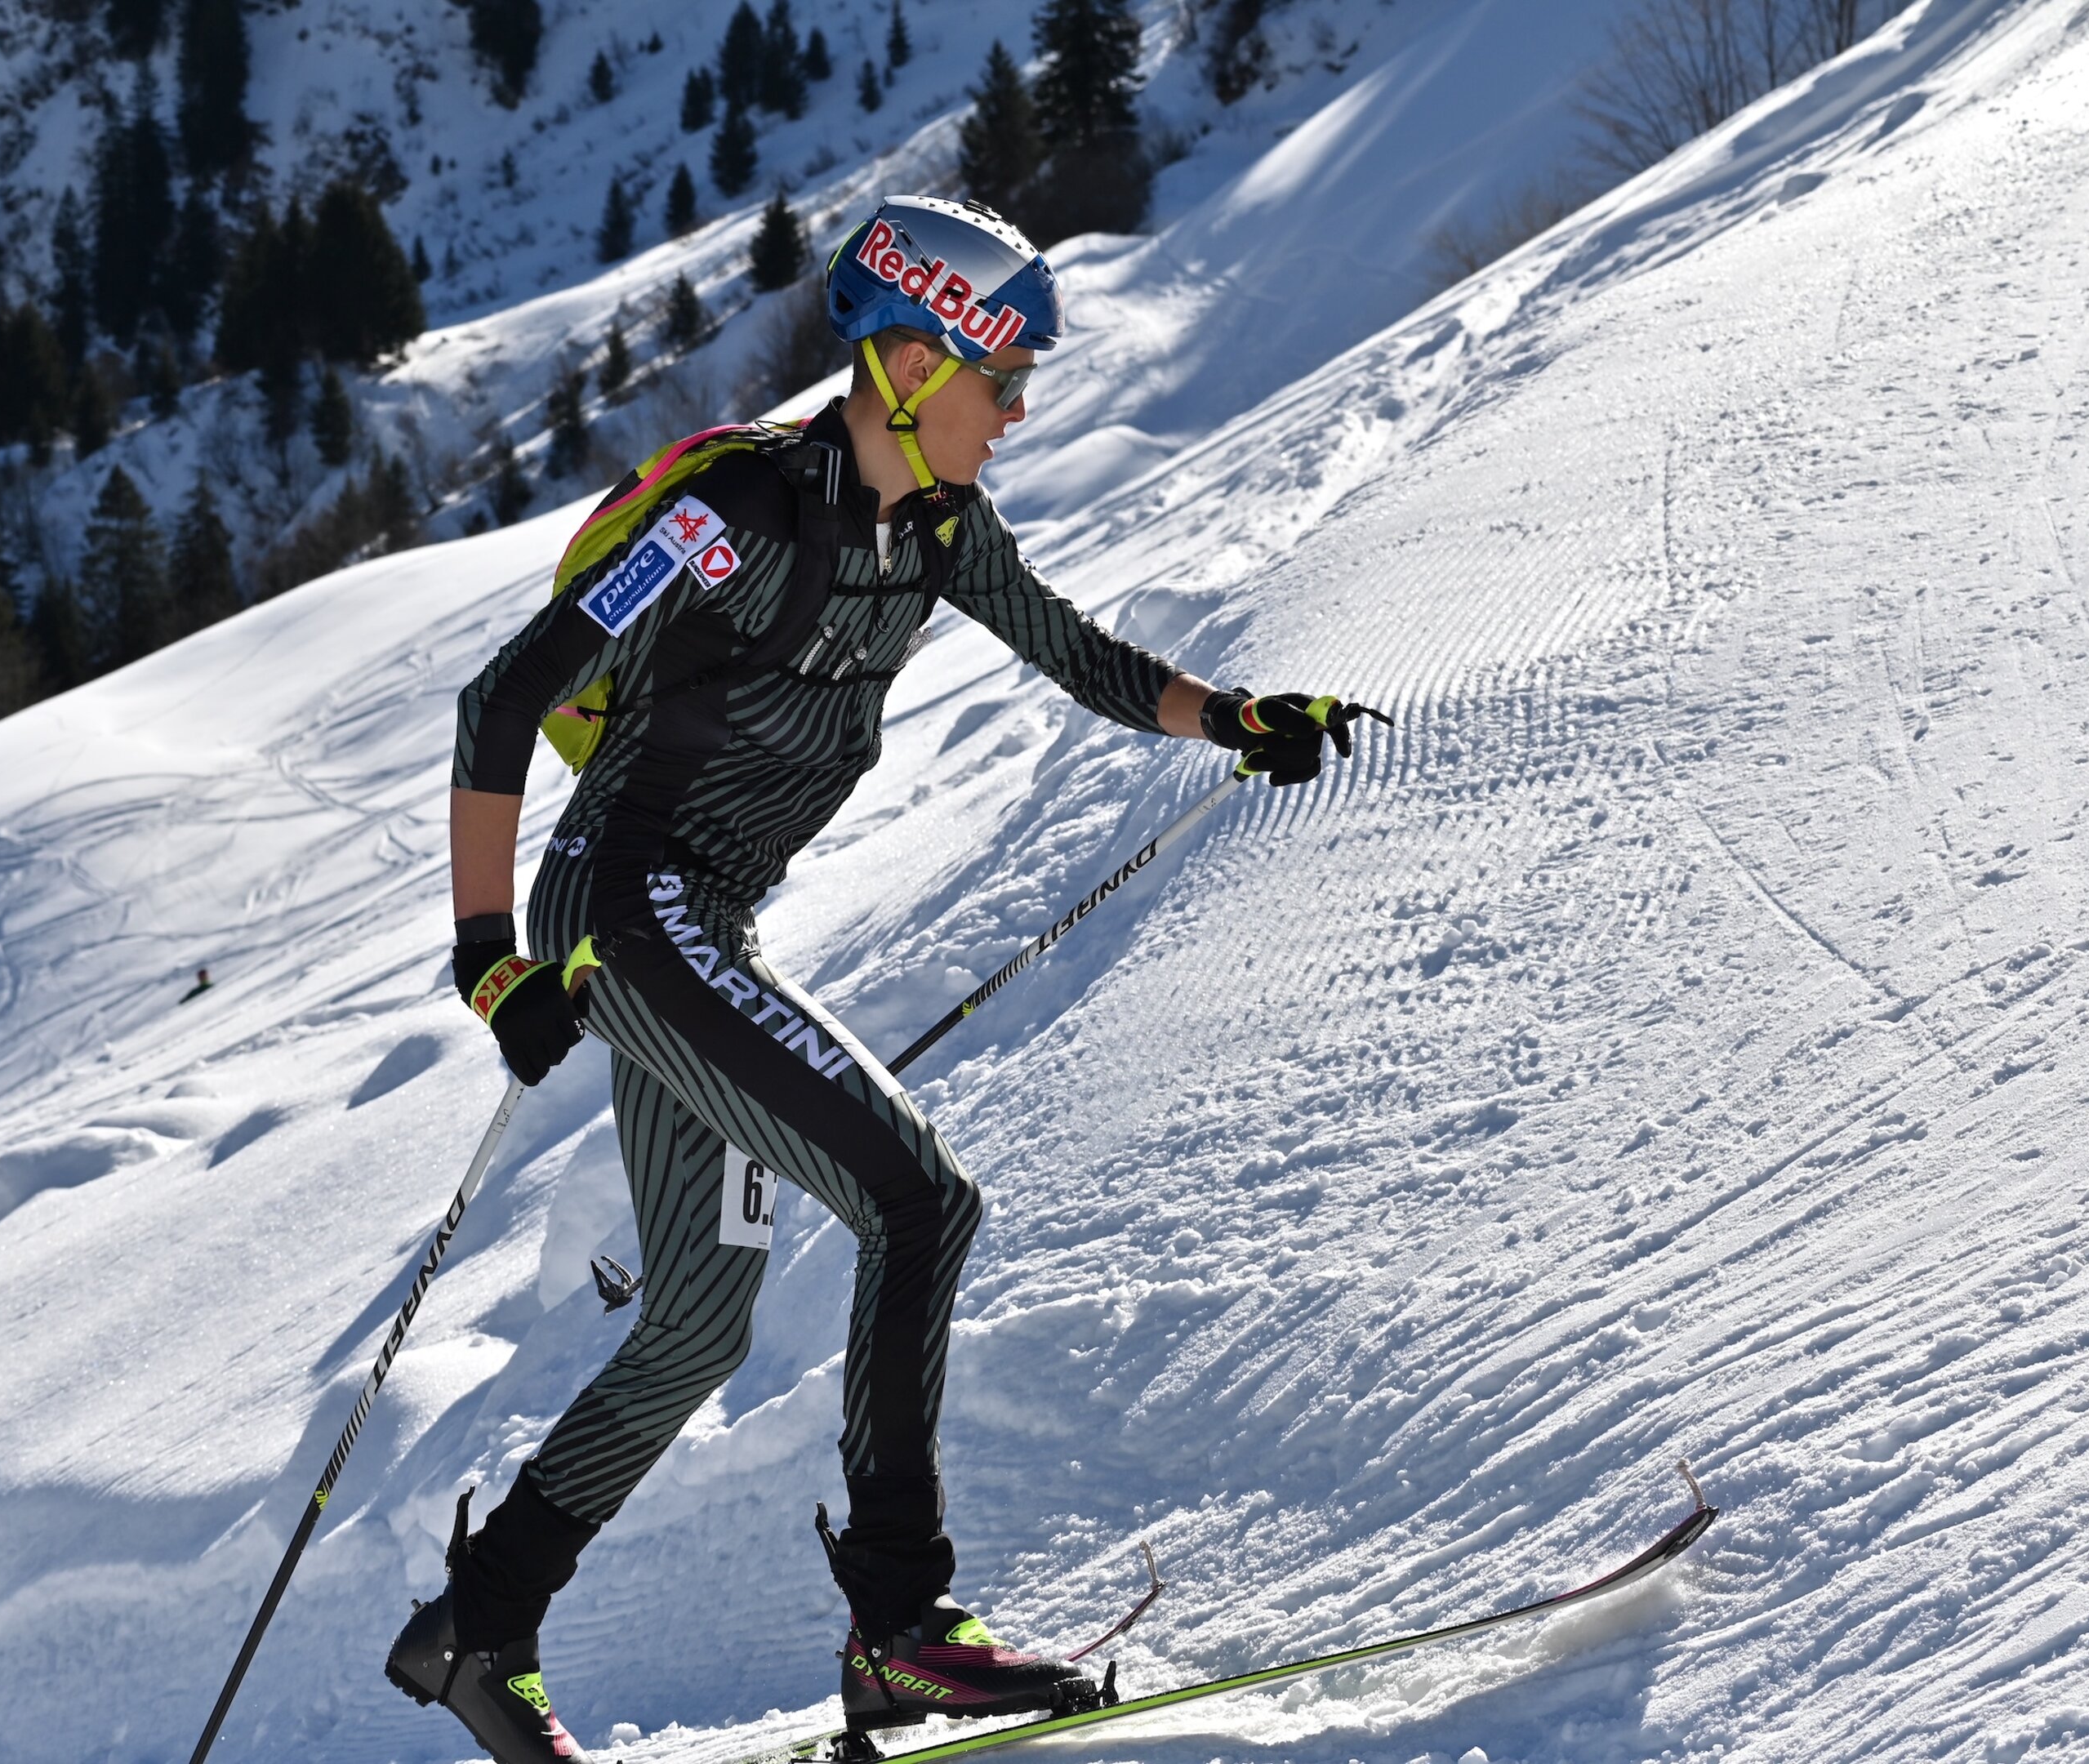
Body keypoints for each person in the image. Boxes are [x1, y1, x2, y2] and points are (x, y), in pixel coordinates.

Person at [386, 195, 1375, 1764]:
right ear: (912, 363)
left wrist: (1237, 717)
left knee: (695, 1328)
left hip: (704, 929)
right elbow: (503, 703)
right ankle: (902, 1628)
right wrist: (485, 958)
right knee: (920, 1201)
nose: (1020, 409)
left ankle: (476, 1628)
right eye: (1005, 376)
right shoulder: (733, 513)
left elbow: (1083, 658)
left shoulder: (939, 530)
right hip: (628, 912)